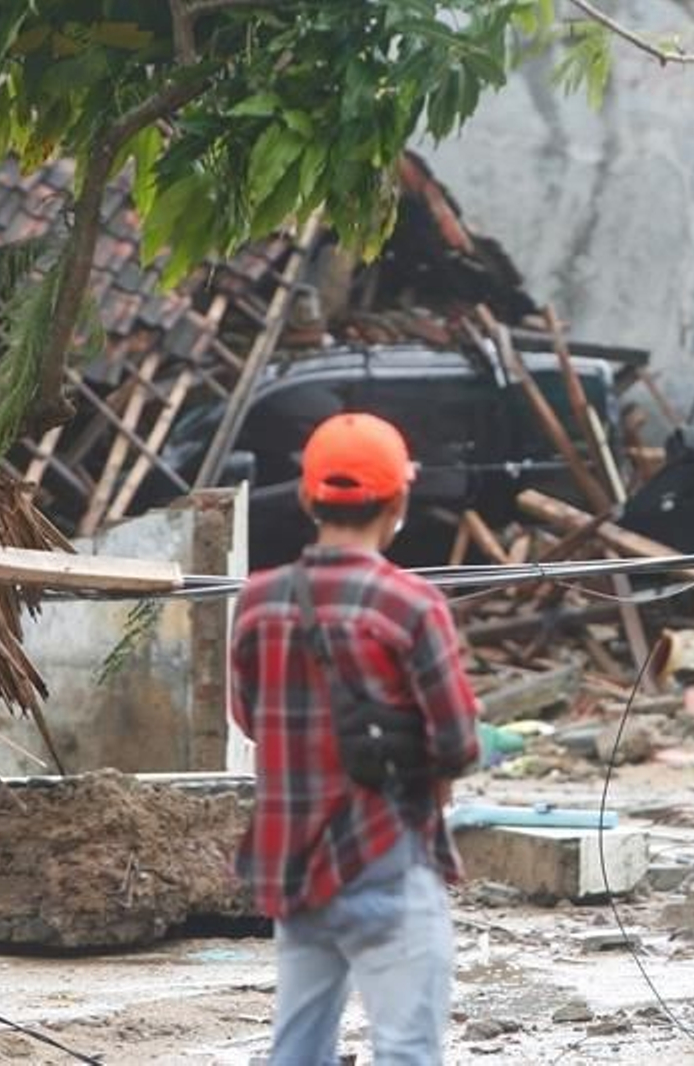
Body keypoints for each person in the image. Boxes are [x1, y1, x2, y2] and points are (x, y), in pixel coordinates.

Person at [231, 412, 480, 1065]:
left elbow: (248, 719)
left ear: (306, 497)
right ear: (398, 503)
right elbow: (458, 742)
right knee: (406, 1051)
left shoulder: (257, 602)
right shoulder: (412, 605)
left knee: (298, 1049)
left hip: (293, 864)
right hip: (384, 854)